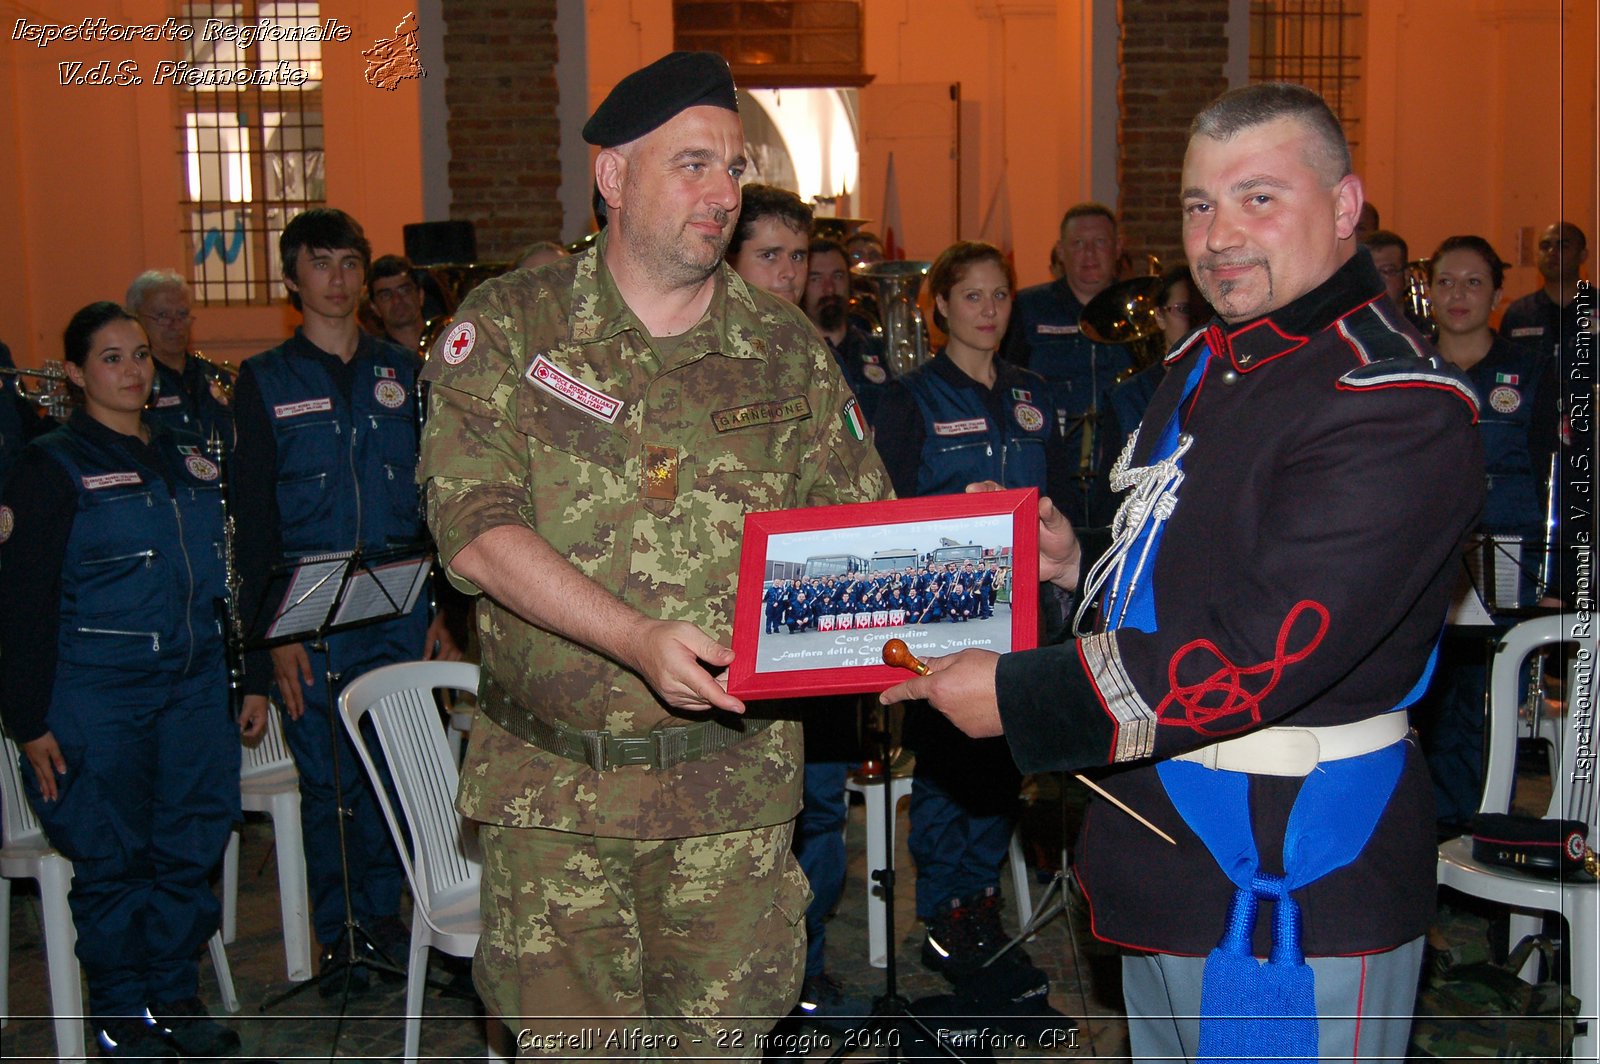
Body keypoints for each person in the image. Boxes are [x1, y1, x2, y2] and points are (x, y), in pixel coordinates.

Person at [879, 83, 1483, 1061]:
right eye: (1199, 204)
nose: (1219, 235)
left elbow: (1260, 652)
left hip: (1289, 868)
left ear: (1342, 206)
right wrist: (1075, 567)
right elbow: (1181, 575)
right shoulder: (1208, 364)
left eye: (1258, 198)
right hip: (1160, 848)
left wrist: (1015, 694)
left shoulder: (1392, 402)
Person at [416, 51, 889, 1052]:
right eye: (692, 165)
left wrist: (967, 550)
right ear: (614, 178)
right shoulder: (507, 329)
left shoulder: (784, 348)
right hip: (555, 806)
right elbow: (475, 530)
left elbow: (857, 536)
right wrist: (635, 637)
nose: (723, 193)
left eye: (732, 166)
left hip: (729, 805)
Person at [0, 302, 258, 1060]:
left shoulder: (187, 452)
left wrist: (243, 677)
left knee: (189, 846)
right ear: (76, 374)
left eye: (140, 354)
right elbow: (18, 600)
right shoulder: (50, 466)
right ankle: (119, 1014)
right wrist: (27, 719)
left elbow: (225, 579)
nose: (133, 370)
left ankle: (175, 997)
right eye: (111, 358)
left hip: (191, 691)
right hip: (96, 698)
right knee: (114, 860)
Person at [232, 207, 460, 995]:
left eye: (348, 263)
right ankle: (343, 934)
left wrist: (445, 610)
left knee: (399, 773)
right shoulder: (263, 380)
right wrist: (273, 639)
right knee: (332, 783)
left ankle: (393, 921)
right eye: (319, 264)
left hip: (397, 607)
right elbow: (253, 521)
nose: (336, 278)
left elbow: (437, 500)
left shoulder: (400, 371)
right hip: (308, 616)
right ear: (293, 281)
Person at [873, 241, 1069, 1005]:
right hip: (942, 614)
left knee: (1002, 768)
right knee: (948, 767)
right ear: (942, 308)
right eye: (973, 297)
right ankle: (945, 915)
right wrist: (955, 512)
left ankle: (978, 905)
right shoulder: (912, 398)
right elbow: (883, 515)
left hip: (1026, 609)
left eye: (1001, 297)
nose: (989, 312)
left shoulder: (1033, 393)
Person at [1417, 234, 1559, 828]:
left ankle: (1478, 832)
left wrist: (1557, 579)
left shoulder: (1532, 373)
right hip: (1424, 568)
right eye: (1446, 281)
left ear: (1498, 294)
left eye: (1474, 282)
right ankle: (1428, 838)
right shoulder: (1410, 368)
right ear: (1427, 291)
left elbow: (1562, 476)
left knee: (1486, 713)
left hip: (1509, 572)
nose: (1459, 295)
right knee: (1427, 709)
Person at [1002, 202, 1132, 528]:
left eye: (1100, 242)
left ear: (1117, 248)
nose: (1089, 254)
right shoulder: (1028, 308)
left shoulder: (1138, 310)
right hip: (1051, 471)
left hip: (1120, 472)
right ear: (1061, 251)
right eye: (1078, 244)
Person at [126, 270, 235, 446]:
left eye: (182, 315)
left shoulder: (214, 376)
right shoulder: (134, 381)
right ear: (135, 319)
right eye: (162, 316)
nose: (175, 325)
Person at [803, 236, 889, 425]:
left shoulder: (881, 350)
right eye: (816, 278)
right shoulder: (794, 353)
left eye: (838, 276)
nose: (830, 288)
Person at [1501, 221, 1591, 364]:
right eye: (1545, 246)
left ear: (1582, 255)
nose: (1552, 252)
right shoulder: (1519, 314)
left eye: (1562, 246)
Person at [725, 182, 811, 305]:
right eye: (769, 256)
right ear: (730, 262)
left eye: (796, 257)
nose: (790, 273)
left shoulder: (805, 324)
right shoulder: (701, 322)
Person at [366, 253, 432, 358]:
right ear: (374, 307)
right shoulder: (372, 360)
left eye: (404, 290)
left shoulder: (450, 346)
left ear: (420, 295)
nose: (397, 300)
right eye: (386, 295)